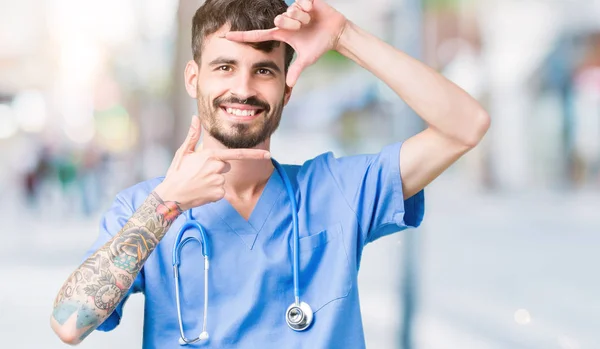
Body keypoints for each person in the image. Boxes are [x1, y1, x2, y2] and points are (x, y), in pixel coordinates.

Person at [50, 0, 490, 347]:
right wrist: (167, 205)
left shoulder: (337, 191)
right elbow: (70, 323)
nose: (243, 88)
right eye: (225, 67)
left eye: (264, 71)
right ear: (193, 79)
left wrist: (344, 35)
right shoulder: (144, 206)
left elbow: (466, 126)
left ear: (287, 87)